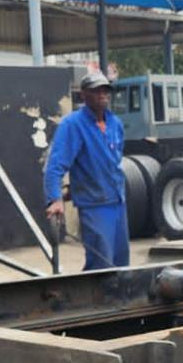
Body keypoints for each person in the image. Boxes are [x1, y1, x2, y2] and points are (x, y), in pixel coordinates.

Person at [44, 71, 129, 270]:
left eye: (105, 90)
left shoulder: (115, 123)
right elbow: (55, 165)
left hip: (117, 202)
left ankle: (117, 292)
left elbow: (115, 161)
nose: (102, 94)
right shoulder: (73, 125)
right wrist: (55, 199)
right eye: (96, 90)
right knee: (101, 262)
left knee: (121, 263)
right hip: (94, 205)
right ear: (83, 94)